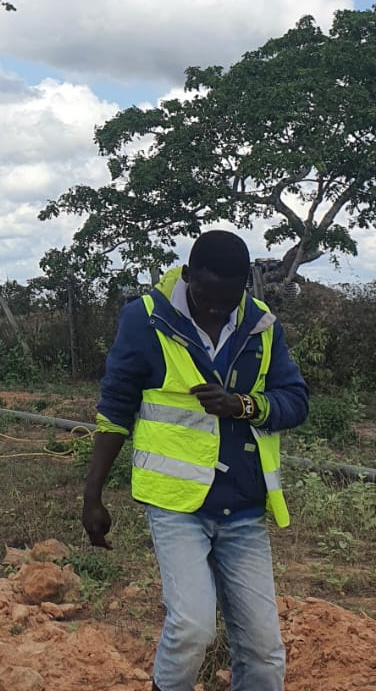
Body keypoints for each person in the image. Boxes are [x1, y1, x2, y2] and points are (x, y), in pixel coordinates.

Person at [82, 230, 309, 691]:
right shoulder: (145, 321)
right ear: (187, 276)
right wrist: (92, 495)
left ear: (245, 286)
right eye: (206, 297)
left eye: (228, 301)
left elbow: (296, 401)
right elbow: (116, 406)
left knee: (264, 650)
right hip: (176, 507)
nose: (215, 311)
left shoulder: (262, 326)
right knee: (192, 629)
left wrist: (242, 405)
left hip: (243, 508)